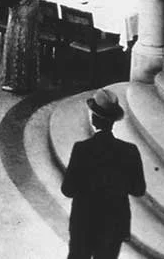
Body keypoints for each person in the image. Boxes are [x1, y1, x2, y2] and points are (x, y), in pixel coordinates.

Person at [61, 88, 146, 259]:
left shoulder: (81, 149)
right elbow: (138, 189)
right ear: (113, 121)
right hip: (114, 225)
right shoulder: (130, 150)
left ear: (94, 119)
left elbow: (67, 190)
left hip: (83, 223)